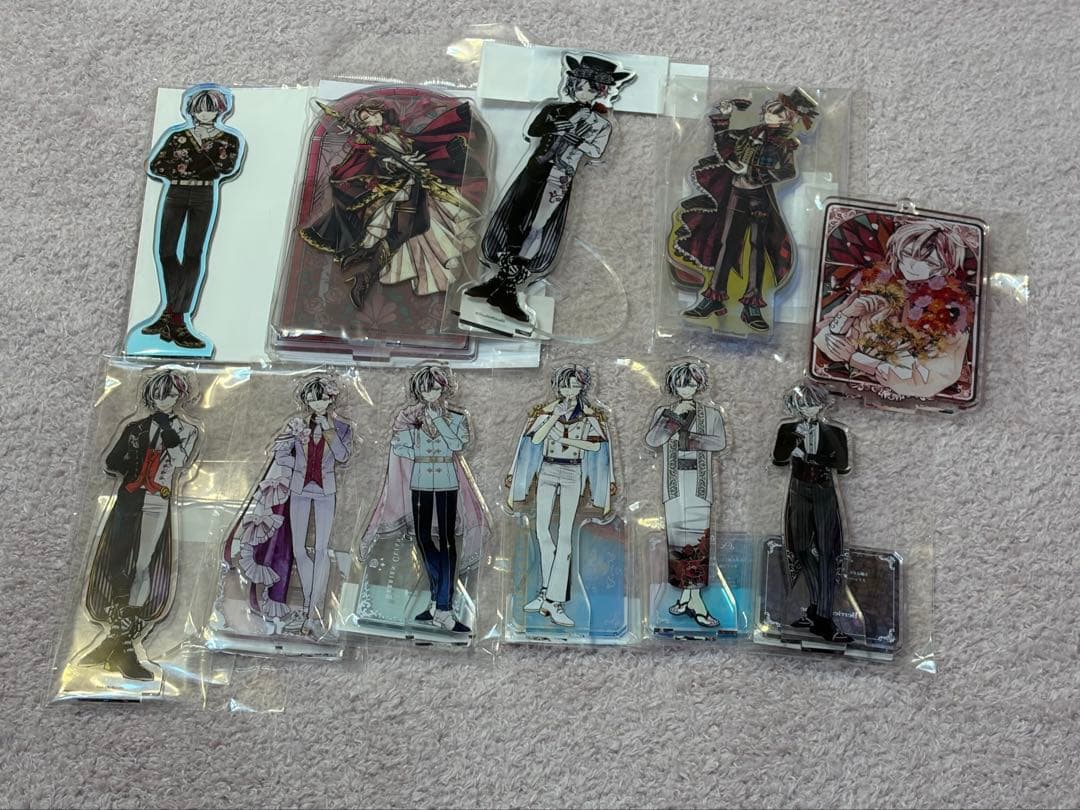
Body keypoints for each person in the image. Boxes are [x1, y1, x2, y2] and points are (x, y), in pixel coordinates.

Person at [466, 55, 636, 322]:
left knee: (539, 225)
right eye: (580, 86)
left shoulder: (601, 124)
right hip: (535, 168)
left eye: (591, 89)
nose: (584, 92)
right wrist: (554, 127)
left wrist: (578, 141)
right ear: (572, 84)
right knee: (514, 216)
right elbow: (534, 130)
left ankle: (508, 288)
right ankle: (499, 281)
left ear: (602, 91)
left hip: (561, 176)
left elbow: (596, 151)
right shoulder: (554, 109)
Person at [299, 96, 481, 310]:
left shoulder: (394, 133)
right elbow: (372, 164)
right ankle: (365, 276)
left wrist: (418, 159)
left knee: (418, 225)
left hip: (415, 185)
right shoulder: (367, 142)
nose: (372, 118)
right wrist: (394, 164)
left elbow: (416, 147)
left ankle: (364, 256)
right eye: (366, 118)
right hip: (398, 190)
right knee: (401, 232)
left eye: (373, 113)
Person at [81, 369, 198, 679]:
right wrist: (132, 464)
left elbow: (181, 460)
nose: (166, 400)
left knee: (143, 563)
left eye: (171, 394)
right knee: (116, 560)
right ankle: (118, 641)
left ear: (180, 396)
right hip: (129, 496)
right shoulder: (135, 427)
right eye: (160, 394)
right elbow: (111, 462)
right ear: (151, 395)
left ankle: (122, 643)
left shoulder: (186, 430)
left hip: (158, 499)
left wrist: (167, 430)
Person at [669, 89, 817, 332]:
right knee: (726, 243)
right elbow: (725, 145)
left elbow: (788, 171)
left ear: (787, 119)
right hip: (736, 194)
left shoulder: (785, 143)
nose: (769, 113)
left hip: (759, 198)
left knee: (758, 249)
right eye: (769, 110)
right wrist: (725, 120)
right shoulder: (750, 133)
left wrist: (756, 174)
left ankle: (752, 306)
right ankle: (713, 297)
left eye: (777, 112)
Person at [359, 365, 488, 634]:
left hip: (447, 481)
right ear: (418, 391)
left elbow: (457, 445)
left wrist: (438, 422)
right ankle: (437, 600)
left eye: (435, 388)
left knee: (448, 541)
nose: (430, 394)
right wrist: (411, 437)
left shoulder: (455, 417)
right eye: (425, 389)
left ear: (443, 389)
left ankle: (444, 609)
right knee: (423, 538)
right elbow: (401, 446)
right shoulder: (409, 418)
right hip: (419, 482)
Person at [231, 375, 352, 635]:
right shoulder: (297, 425)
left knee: (322, 549)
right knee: (299, 549)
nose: (317, 403)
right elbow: (281, 452)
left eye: (322, 398)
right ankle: (309, 606)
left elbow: (343, 456)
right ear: (306, 400)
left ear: (331, 399)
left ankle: (312, 611)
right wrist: (295, 466)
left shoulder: (341, 427)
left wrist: (328, 430)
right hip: (299, 489)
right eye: (312, 399)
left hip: (326, 491)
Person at [813, 218, 976, 399]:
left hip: (909, 399)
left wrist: (856, 359)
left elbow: (931, 380)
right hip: (840, 389)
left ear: (944, 269)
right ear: (897, 252)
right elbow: (822, 336)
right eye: (907, 254)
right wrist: (847, 314)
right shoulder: (877, 284)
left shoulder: (952, 312)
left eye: (929, 262)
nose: (912, 266)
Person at [507, 364, 616, 627]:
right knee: (542, 531)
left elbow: (596, 446)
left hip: (572, 473)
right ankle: (545, 592)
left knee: (565, 535)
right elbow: (535, 440)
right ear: (557, 386)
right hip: (546, 470)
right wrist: (553, 418)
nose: (570, 390)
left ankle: (555, 602)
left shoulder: (590, 415)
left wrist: (568, 442)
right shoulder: (546, 411)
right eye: (566, 385)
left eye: (575, 385)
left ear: (582, 387)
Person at [137, 85, 244, 349]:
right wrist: (201, 166)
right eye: (200, 109)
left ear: (220, 110)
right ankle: (171, 312)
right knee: (165, 251)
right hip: (175, 192)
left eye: (211, 109)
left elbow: (226, 167)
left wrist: (188, 165)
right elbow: (156, 165)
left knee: (193, 253)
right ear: (192, 110)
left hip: (204, 195)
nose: (205, 114)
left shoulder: (229, 139)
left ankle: (176, 318)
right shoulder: (178, 136)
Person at [644, 361, 728, 627]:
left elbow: (719, 442)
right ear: (673, 386)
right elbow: (652, 440)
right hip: (673, 483)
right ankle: (686, 597)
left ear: (699, 385)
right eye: (681, 384)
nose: (687, 389)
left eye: (691, 384)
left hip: (699, 484)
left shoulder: (711, 413)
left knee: (698, 538)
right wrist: (673, 417)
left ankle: (695, 600)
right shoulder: (664, 412)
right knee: (677, 540)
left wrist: (688, 440)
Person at [771, 381, 852, 644]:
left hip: (825, 489)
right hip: (797, 489)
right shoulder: (788, 429)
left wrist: (809, 456)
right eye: (803, 405)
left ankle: (825, 618)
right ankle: (816, 606)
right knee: (801, 548)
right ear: (795, 406)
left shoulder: (833, 431)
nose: (808, 409)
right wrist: (795, 441)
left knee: (828, 552)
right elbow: (778, 458)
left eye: (813, 404)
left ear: (822, 405)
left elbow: (842, 464)